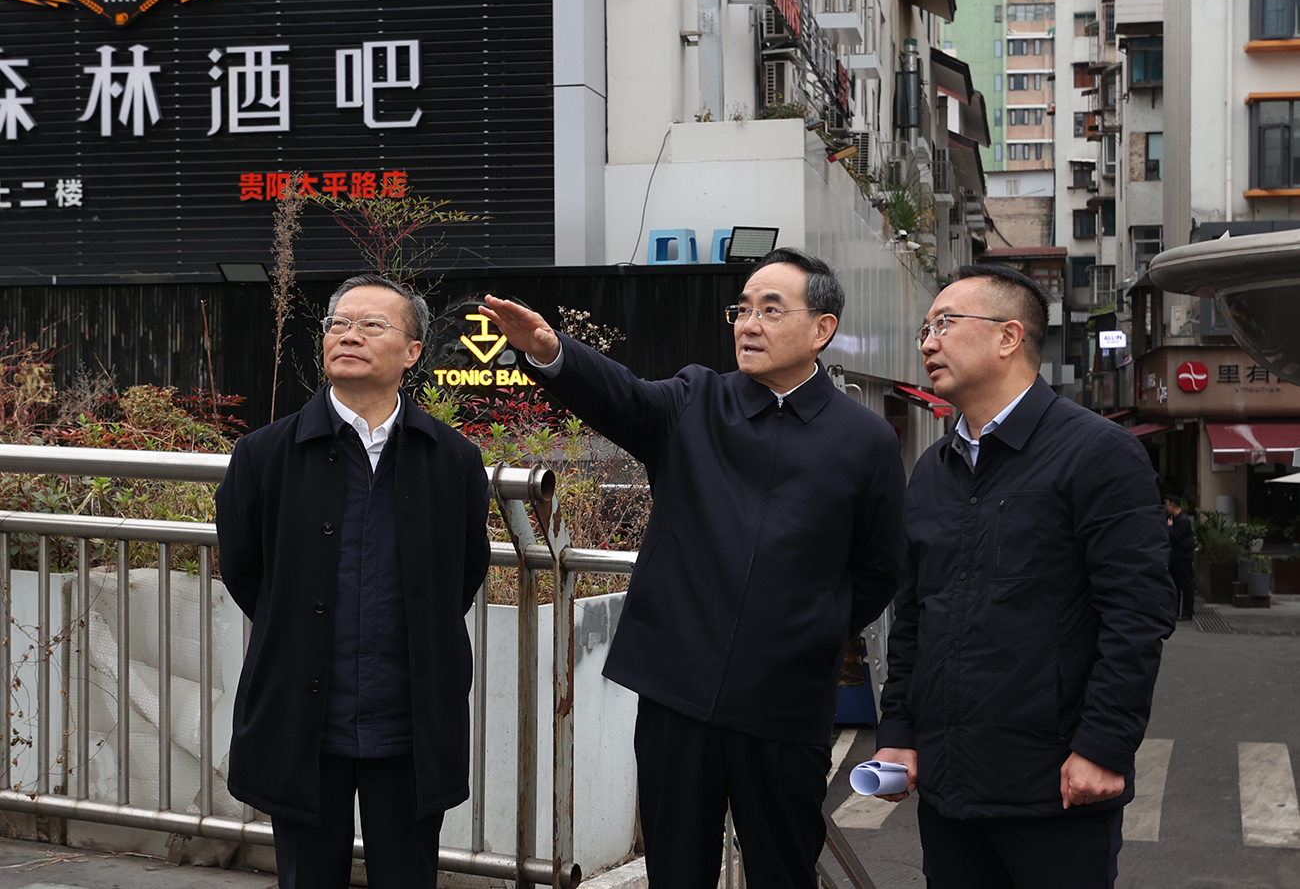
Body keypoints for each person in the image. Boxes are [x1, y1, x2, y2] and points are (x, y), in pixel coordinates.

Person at [479, 248, 905, 889]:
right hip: (677, 691)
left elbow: (878, 567)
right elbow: (621, 395)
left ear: (822, 329)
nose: (748, 324)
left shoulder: (865, 439)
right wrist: (549, 351)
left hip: (785, 701)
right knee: (677, 870)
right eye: (742, 310)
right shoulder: (695, 399)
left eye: (770, 310)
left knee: (784, 869)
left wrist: (811, 627)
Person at [871, 264, 1175, 889]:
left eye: (944, 324)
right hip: (949, 791)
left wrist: (1103, 747)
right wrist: (898, 731)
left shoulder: (1098, 453)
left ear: (1008, 337)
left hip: (1056, 787)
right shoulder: (932, 468)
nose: (928, 342)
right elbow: (915, 617)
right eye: (925, 329)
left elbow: (1137, 613)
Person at [215, 274, 491, 889]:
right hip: (304, 716)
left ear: (412, 351)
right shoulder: (265, 454)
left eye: (371, 325)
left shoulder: (452, 458)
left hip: (410, 720)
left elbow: (463, 573)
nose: (349, 335)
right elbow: (244, 566)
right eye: (338, 324)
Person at [1166, 497, 1196, 620]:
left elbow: (1176, 536)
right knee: (1176, 586)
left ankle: (1187, 612)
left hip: (1183, 558)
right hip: (1176, 558)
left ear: (1172, 506)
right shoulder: (1176, 519)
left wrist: (1169, 528)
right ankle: (1176, 611)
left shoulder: (1183, 520)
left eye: (1168, 505)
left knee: (1186, 585)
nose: (1166, 508)